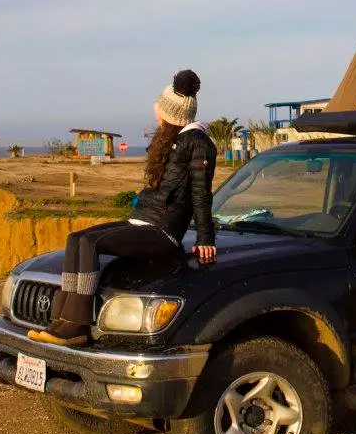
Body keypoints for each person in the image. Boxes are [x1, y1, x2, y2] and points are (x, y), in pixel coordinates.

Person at [28, 69, 218, 346]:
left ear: (170, 113)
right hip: (142, 222)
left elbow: (202, 194)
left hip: (161, 231)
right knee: (76, 239)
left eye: (160, 108)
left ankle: (77, 326)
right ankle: (62, 319)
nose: (156, 112)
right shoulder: (172, 141)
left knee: (90, 244)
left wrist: (205, 238)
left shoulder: (197, 144)